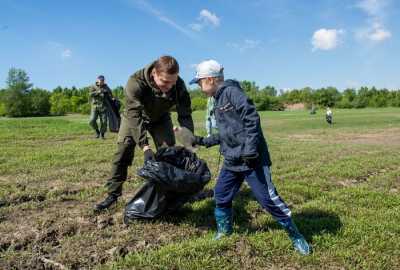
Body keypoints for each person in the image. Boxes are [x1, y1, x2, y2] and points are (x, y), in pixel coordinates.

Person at [190, 59, 310, 255]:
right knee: (221, 194)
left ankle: (295, 235)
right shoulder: (217, 99)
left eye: (199, 82)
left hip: (251, 159)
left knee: (267, 199)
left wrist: (250, 149)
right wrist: (203, 141)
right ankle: (225, 231)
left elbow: (251, 118)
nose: (199, 87)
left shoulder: (231, 92)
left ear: (210, 80)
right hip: (232, 160)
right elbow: (228, 133)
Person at [94, 56, 194, 211]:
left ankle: (168, 194)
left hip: (161, 118)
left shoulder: (178, 85)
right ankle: (112, 195)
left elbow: (185, 114)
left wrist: (189, 140)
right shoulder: (135, 83)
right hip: (134, 117)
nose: (169, 86)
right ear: (154, 73)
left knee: (168, 153)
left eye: (172, 82)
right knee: (123, 150)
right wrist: (145, 147)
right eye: (165, 82)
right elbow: (134, 116)